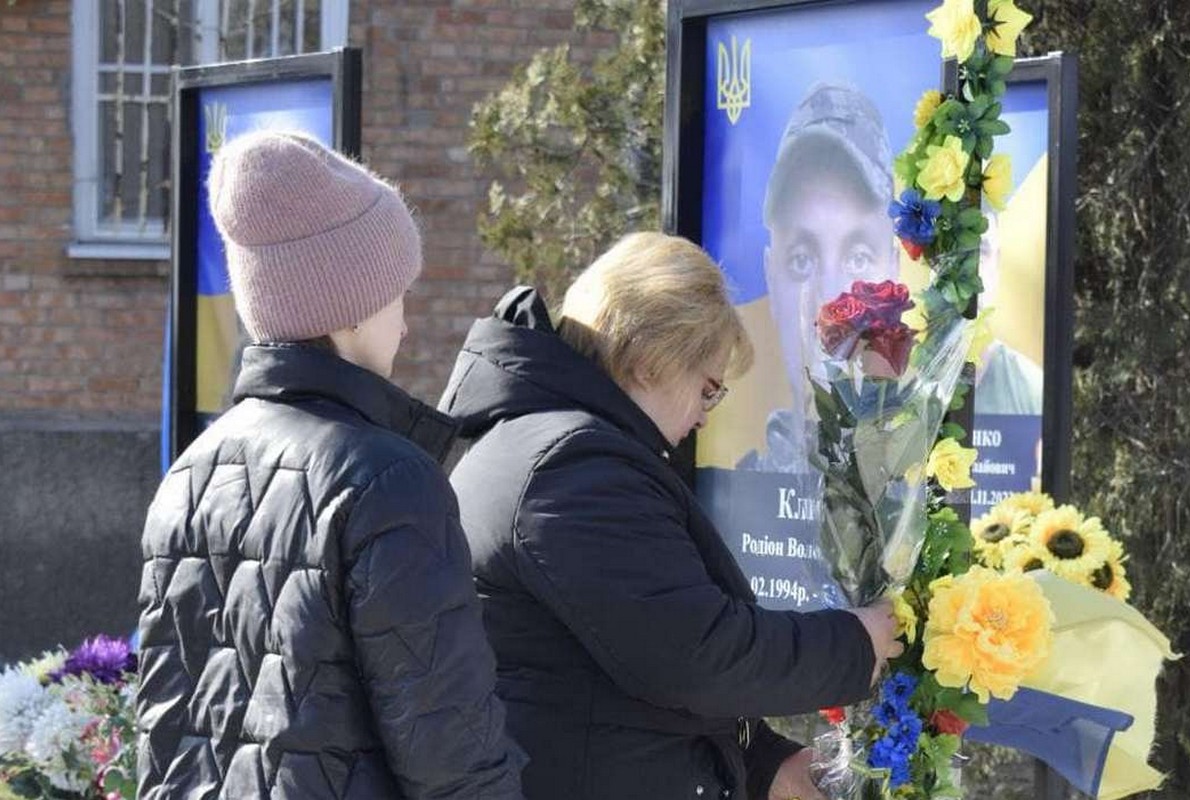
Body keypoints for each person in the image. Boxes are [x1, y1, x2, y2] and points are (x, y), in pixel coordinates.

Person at [438, 232, 901, 800]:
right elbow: (695, 655)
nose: (705, 417)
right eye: (708, 389)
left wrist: (763, 765)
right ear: (652, 358)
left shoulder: (538, 442)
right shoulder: (575, 468)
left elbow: (617, 666)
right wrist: (856, 642)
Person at [137, 131, 525, 799]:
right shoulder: (386, 478)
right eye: (396, 294)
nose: (404, 324)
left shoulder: (192, 472)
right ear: (347, 310)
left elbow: (165, 733)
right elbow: (451, 752)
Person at [742, 83, 897, 473]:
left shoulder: (934, 488)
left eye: (859, 258)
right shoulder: (731, 500)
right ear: (771, 282)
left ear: (895, 275)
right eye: (800, 260)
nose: (830, 302)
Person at [975, 209, 1044, 416]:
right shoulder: (902, 392)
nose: (970, 270)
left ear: (996, 264)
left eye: (981, 251)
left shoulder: (1034, 392)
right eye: (956, 252)